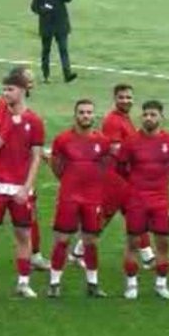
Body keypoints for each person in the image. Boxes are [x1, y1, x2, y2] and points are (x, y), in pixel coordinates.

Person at [0, 72, 45, 298]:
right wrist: (8, 124)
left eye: (10, 89)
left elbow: (36, 157)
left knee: (23, 234)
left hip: (20, 187)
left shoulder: (34, 121)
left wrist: (27, 187)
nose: (5, 94)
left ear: (23, 91)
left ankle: (23, 283)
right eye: (4, 90)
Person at [80, 84, 154, 267]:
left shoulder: (124, 118)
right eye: (122, 97)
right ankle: (78, 253)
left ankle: (147, 256)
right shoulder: (113, 121)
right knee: (104, 218)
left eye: (129, 97)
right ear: (115, 99)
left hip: (124, 177)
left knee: (135, 213)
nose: (126, 101)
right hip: (114, 177)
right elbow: (115, 148)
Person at [116, 100, 169, 300]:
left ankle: (161, 284)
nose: (149, 118)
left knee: (163, 243)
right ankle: (131, 284)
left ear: (161, 117)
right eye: (145, 115)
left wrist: (158, 182)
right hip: (137, 199)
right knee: (133, 242)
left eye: (153, 115)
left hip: (161, 200)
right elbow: (120, 168)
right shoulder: (131, 141)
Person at [46, 99, 110, 298]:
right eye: (82, 112)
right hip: (69, 196)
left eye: (89, 112)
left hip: (92, 198)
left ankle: (92, 283)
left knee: (91, 241)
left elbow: (106, 166)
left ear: (94, 115)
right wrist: (67, 181)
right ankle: (54, 283)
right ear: (75, 115)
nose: (85, 116)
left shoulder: (102, 141)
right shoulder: (63, 139)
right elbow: (56, 165)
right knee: (62, 239)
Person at [30, 0, 78, 84]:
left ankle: (68, 75)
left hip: (61, 24)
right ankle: (46, 75)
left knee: (63, 49)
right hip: (46, 24)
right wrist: (43, 10)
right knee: (46, 50)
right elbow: (34, 6)